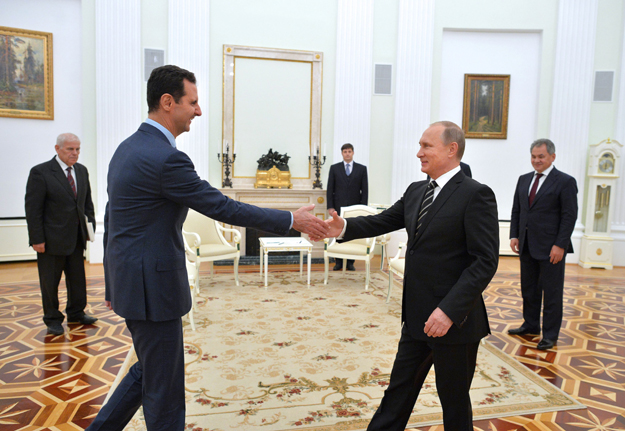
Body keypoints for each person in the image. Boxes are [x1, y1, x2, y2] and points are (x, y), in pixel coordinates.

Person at [86, 65, 328, 431]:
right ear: (168, 102)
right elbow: (223, 206)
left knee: (149, 370)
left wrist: (111, 281)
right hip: (152, 289)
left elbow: (113, 219)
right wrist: (291, 219)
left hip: (131, 282)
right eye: (193, 102)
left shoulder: (127, 149)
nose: (198, 111)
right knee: (164, 386)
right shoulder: (166, 158)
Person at [320, 121, 499, 431]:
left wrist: (448, 311)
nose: (419, 153)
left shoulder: (476, 194)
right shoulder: (417, 191)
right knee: (399, 392)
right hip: (416, 317)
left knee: (454, 402)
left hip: (455, 323)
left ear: (451, 149)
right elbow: (383, 221)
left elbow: (484, 262)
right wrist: (345, 227)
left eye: (426, 146)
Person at [25, 133, 97, 336]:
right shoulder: (41, 172)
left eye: (78, 149)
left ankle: (76, 312)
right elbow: (33, 209)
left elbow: (86, 204)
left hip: (76, 238)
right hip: (50, 241)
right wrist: (36, 239)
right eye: (70, 149)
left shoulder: (81, 171)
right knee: (50, 282)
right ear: (58, 149)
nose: (75, 153)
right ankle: (52, 319)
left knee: (77, 279)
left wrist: (89, 227)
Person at [508, 138, 578, 351]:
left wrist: (560, 245)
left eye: (541, 156)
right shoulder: (523, 179)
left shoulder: (565, 181)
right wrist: (514, 235)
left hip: (552, 249)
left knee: (552, 293)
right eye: (534, 156)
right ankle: (530, 325)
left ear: (552, 157)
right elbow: (517, 210)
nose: (536, 160)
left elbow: (569, 216)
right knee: (528, 289)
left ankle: (550, 335)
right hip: (527, 245)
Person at [326, 143, 368, 271]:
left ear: (353, 153)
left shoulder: (361, 169)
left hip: (355, 207)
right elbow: (330, 189)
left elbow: (364, 190)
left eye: (349, 151)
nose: (347, 153)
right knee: (338, 232)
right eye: (345, 151)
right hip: (338, 207)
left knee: (352, 231)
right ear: (342, 153)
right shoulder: (334, 168)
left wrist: (362, 208)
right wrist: (330, 206)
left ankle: (350, 262)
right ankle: (338, 261)